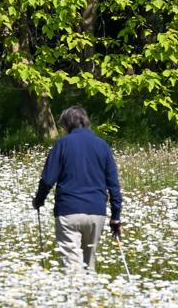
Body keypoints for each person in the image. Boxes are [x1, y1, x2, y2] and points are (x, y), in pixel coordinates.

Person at [31, 105, 123, 273]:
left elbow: (47, 179)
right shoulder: (102, 146)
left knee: (72, 269)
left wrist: (39, 200)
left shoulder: (62, 144)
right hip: (96, 213)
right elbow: (114, 185)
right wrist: (116, 217)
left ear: (67, 125)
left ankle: (77, 297)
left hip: (69, 212)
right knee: (89, 266)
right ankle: (89, 297)